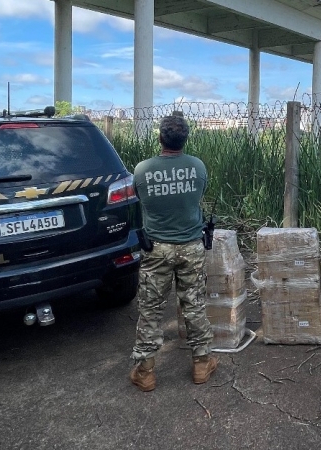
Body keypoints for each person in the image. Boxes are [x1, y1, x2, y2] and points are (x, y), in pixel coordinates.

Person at [129, 114, 218, 392]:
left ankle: (146, 372)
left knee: (151, 309)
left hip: (156, 249)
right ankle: (201, 364)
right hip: (191, 246)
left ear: (160, 138)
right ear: (185, 139)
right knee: (194, 305)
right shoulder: (197, 166)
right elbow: (198, 195)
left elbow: (141, 199)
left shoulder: (143, 170)